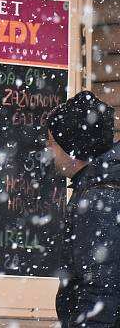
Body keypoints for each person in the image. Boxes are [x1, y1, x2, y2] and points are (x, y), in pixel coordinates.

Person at [47, 90, 120, 327]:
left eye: (52, 142)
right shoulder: (101, 187)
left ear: (71, 149)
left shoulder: (100, 199)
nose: (50, 152)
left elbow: (103, 291)